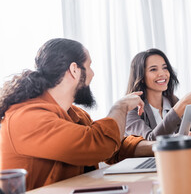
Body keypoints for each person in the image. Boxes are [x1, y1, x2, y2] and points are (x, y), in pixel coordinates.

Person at [0, 38, 154, 191]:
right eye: (89, 66)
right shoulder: (26, 118)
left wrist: (160, 147)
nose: (92, 74)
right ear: (74, 70)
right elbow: (100, 145)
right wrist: (120, 107)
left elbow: (115, 146)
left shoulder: (74, 114)